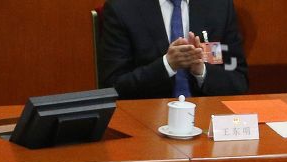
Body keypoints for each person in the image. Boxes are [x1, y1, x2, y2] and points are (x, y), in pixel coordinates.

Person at [99, 0, 248, 100]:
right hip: (147, 121)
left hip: (208, 120)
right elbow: (113, 87)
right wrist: (166, 65)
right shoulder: (122, 8)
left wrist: (202, 71)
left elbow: (238, 81)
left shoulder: (220, 6)